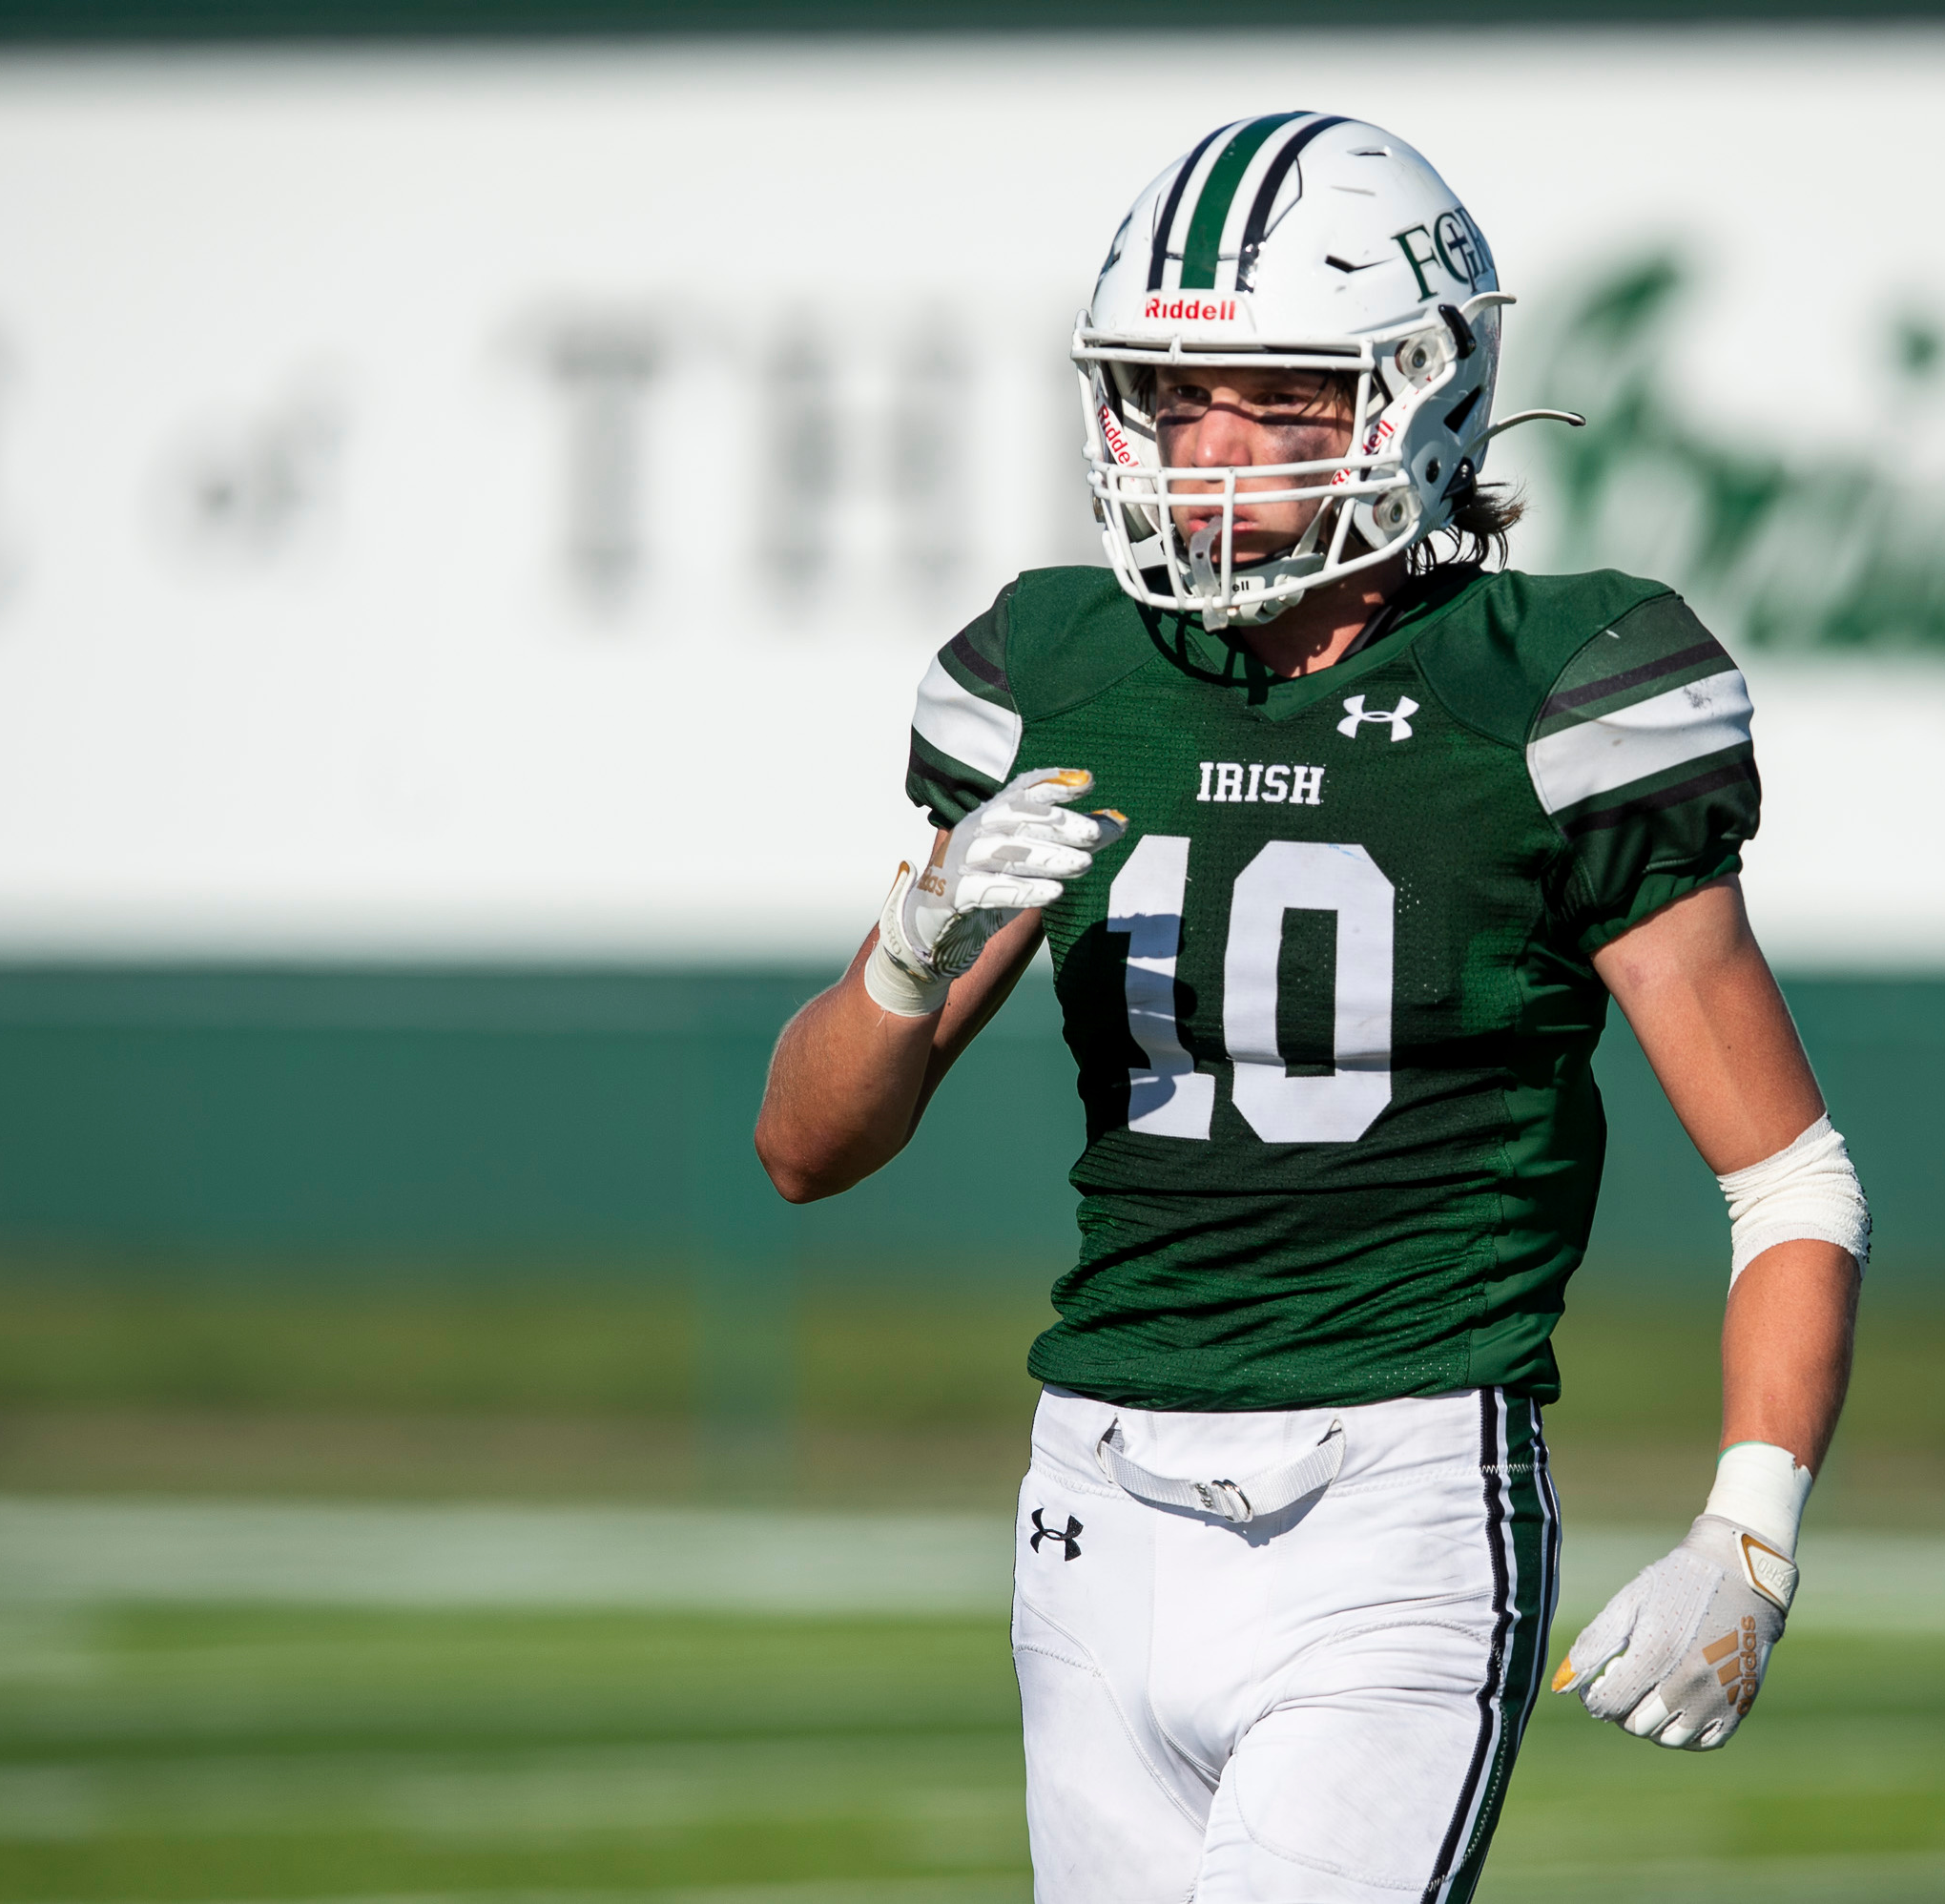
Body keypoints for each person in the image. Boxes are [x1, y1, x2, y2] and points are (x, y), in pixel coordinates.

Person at [755, 112, 1869, 1904]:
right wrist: (910, 947)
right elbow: (807, 1151)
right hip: (1092, 1500)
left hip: (1398, 1492)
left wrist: (1751, 1531)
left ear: (1422, 394)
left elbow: (1792, 1183)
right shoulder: (1057, 671)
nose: (1209, 451)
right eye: (1174, 397)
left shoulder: (1559, 682)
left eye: (1278, 398)